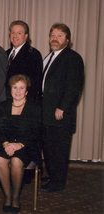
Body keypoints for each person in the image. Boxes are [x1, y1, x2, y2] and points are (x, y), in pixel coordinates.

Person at [41, 23, 84, 193]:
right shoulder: (49, 57)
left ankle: (57, 182)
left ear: (67, 39)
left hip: (60, 114)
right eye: (52, 34)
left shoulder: (73, 58)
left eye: (59, 35)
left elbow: (74, 86)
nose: (54, 38)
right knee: (49, 148)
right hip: (46, 114)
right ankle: (53, 176)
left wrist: (62, 107)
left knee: (59, 150)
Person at [0, 74, 42, 213]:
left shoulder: (34, 107)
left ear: (27, 91)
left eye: (22, 88)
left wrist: (19, 145)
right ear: (10, 89)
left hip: (27, 145)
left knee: (16, 160)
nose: (18, 91)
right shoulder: (3, 106)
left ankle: (15, 197)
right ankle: (7, 196)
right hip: (6, 144)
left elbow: (36, 132)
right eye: (15, 87)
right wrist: (5, 144)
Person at [6, 20, 43, 101]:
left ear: (26, 36)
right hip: (6, 101)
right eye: (13, 32)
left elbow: (35, 84)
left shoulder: (34, 54)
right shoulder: (6, 53)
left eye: (19, 33)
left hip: (23, 103)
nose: (15, 36)